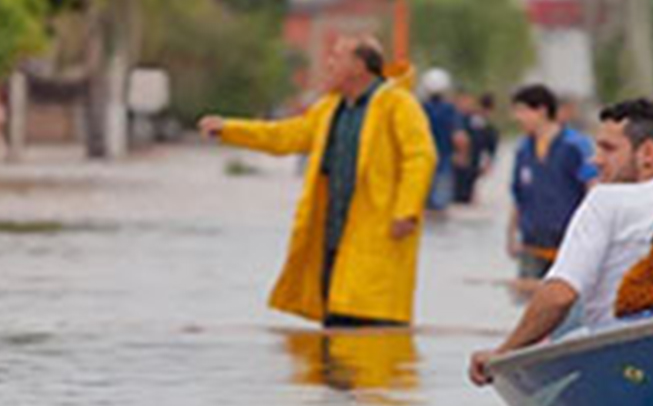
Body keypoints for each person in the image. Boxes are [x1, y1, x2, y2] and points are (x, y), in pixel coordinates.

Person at [199, 36, 437, 327]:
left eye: (338, 56)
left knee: (372, 332)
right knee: (336, 326)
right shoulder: (330, 109)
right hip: (333, 236)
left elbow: (420, 156)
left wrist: (407, 211)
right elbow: (285, 136)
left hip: (379, 233)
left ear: (359, 66)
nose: (329, 63)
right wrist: (229, 129)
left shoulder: (398, 104)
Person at [469, 99, 653, 385]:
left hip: (618, 366)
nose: (595, 160)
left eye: (608, 148)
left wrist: (501, 353)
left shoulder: (605, 200)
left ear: (648, 153)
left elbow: (560, 295)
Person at [506, 84, 596, 280]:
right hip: (532, 244)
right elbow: (518, 196)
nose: (517, 118)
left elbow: (593, 189)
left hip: (568, 246)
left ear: (541, 111)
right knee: (529, 304)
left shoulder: (575, 146)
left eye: (522, 111)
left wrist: (590, 235)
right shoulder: (523, 150)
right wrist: (511, 236)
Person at [421, 69, 462, 213]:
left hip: (422, 161)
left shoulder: (420, 108)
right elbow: (459, 137)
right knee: (440, 206)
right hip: (444, 160)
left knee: (423, 206)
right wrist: (461, 155)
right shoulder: (449, 110)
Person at [452, 92, 500, 205]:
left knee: (463, 190)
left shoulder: (468, 118)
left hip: (468, 159)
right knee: (465, 191)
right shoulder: (486, 125)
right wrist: (489, 163)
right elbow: (490, 147)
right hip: (471, 158)